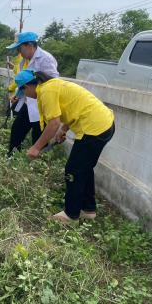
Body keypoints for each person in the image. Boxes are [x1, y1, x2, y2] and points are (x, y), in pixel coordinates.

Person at [15, 69, 115, 223]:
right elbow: (72, 107)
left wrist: (36, 147)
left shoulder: (46, 91)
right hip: (103, 124)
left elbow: (53, 123)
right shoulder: (51, 85)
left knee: (73, 170)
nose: (26, 96)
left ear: (27, 87)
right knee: (84, 168)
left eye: (24, 93)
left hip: (95, 128)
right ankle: (88, 209)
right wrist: (64, 129)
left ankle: (71, 214)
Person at [6, 32, 59, 156]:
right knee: (17, 130)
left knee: (39, 134)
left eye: (20, 48)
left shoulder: (46, 59)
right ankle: (12, 157)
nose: (20, 52)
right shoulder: (24, 61)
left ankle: (37, 165)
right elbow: (25, 82)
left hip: (41, 105)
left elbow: (53, 83)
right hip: (28, 102)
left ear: (30, 45)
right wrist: (18, 96)